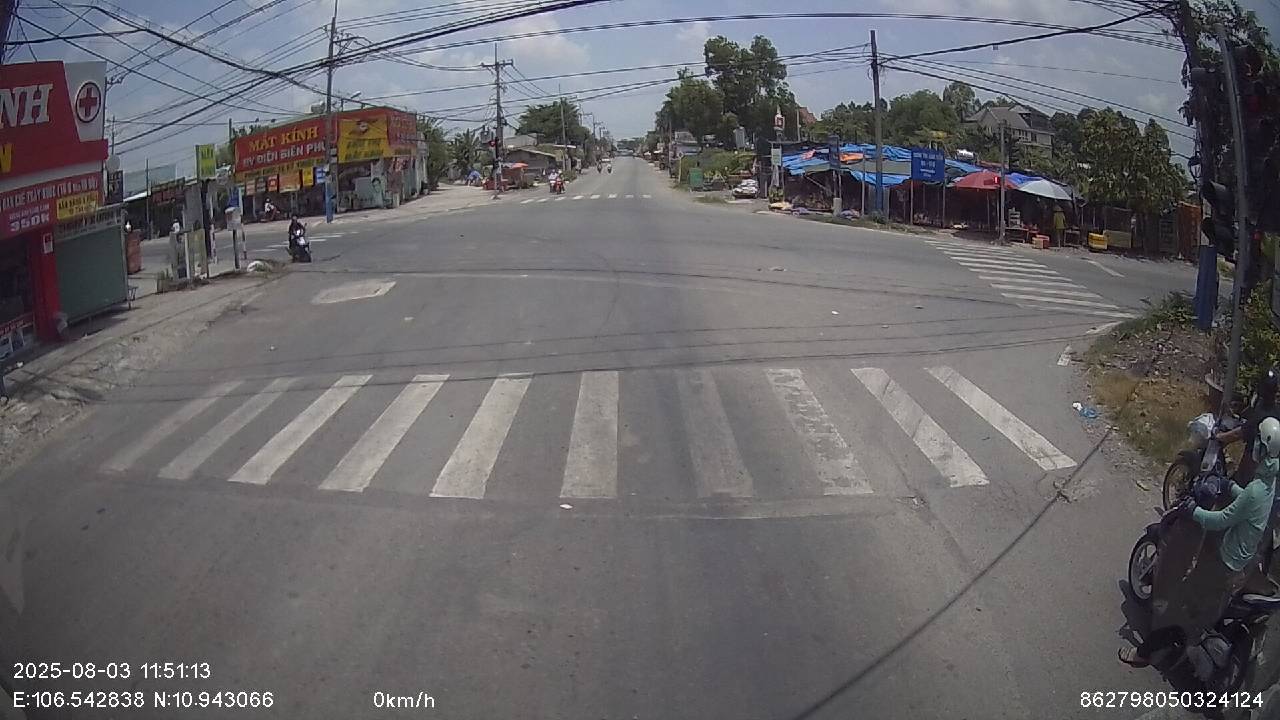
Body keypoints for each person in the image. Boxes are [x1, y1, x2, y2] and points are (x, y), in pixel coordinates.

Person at [1120, 415, 1280, 667]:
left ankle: (1144, 654)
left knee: (1178, 605)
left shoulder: (1256, 489)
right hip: (1239, 560)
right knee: (1200, 605)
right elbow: (1247, 503)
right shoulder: (1269, 480)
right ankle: (1186, 642)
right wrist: (1228, 485)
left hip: (1225, 563)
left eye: (1257, 442)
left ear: (1261, 447)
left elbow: (1220, 520)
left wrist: (1192, 510)